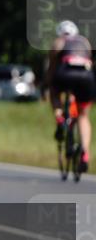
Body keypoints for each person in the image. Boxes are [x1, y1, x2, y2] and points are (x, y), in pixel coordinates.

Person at [46, 20, 94, 172]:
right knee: (83, 116)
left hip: (65, 75)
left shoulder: (59, 42)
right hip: (86, 78)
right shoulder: (85, 42)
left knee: (54, 92)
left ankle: (60, 116)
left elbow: (51, 70)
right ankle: (85, 152)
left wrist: (46, 86)